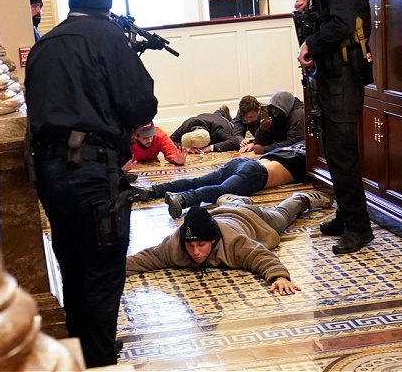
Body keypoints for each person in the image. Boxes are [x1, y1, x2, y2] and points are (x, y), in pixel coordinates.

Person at [24, 0, 158, 367]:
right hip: (94, 172)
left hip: (49, 173)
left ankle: (82, 352)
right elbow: (140, 106)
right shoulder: (109, 38)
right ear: (107, 2)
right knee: (103, 268)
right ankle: (99, 361)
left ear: (71, 0)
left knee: (72, 263)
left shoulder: (45, 45)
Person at [294, 0, 374, 255]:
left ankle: (359, 228)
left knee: (342, 154)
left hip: (342, 79)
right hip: (328, 79)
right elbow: (323, 22)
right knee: (333, 151)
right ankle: (345, 215)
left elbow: (341, 25)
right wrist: (303, 11)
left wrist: (310, 42)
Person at [126, 191, 333, 293]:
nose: (196, 252)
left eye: (201, 245)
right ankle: (231, 199)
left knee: (282, 215)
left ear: (213, 241)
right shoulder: (175, 244)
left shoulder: (235, 242)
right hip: (221, 213)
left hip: (252, 219)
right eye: (191, 246)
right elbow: (147, 258)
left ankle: (303, 197)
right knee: (232, 203)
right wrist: (112, 270)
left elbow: (260, 255)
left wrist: (279, 277)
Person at [136, 141, 313, 219]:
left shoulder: (294, 147)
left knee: (198, 181)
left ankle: (153, 190)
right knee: (222, 190)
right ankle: (183, 199)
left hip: (242, 162)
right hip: (257, 173)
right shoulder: (310, 157)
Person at [169, 111, 239, 153]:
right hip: (206, 117)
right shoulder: (186, 125)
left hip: (223, 122)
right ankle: (220, 111)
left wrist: (211, 148)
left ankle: (222, 113)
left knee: (233, 125)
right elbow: (169, 141)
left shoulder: (218, 130)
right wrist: (187, 148)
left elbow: (235, 141)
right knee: (216, 114)